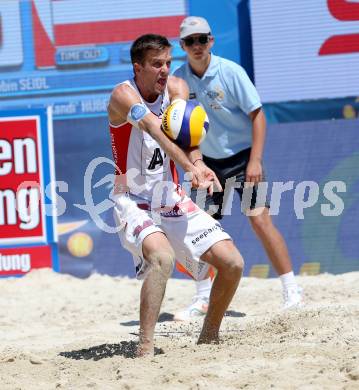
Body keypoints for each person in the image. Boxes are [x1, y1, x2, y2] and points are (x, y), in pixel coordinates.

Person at [107, 34, 244, 356]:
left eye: (168, 62)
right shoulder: (122, 96)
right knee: (162, 259)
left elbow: (187, 136)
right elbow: (156, 130)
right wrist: (191, 166)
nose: (165, 70)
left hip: (171, 196)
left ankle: (209, 336)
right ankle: (145, 347)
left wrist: (198, 163)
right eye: (157, 64)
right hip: (132, 199)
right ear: (138, 67)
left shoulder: (178, 89)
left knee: (233, 263)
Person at [173, 17, 302, 321]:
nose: (197, 46)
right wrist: (194, 164)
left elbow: (257, 115)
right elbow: (175, 127)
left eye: (202, 39)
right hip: (206, 164)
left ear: (212, 41)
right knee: (198, 232)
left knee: (260, 222)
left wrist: (255, 160)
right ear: (182, 46)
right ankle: (203, 298)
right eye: (190, 41)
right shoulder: (178, 80)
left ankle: (291, 291)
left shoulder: (230, 72)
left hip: (243, 157)